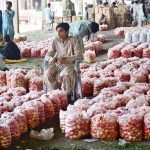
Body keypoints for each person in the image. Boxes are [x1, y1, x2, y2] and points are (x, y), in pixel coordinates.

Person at [44, 22, 83, 101]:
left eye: (61, 31)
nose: (58, 33)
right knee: (47, 74)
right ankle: (56, 93)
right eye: (57, 31)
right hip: (58, 65)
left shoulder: (73, 40)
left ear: (67, 32)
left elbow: (79, 56)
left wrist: (67, 59)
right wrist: (50, 58)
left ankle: (67, 98)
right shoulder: (55, 41)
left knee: (66, 76)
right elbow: (48, 54)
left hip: (69, 65)